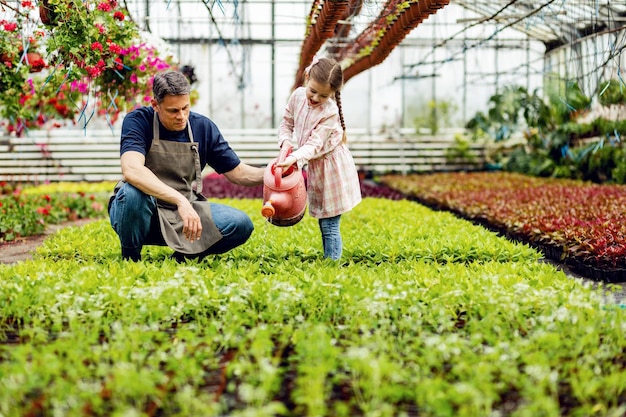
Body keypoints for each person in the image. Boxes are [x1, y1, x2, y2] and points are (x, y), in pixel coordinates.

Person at [108, 70, 265, 262]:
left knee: (240, 224)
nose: (181, 116)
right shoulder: (138, 121)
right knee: (131, 193)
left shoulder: (203, 127)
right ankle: (131, 258)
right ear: (155, 105)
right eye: (173, 110)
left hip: (183, 214)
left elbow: (239, 173)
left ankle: (182, 257)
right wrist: (180, 201)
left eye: (185, 108)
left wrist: (273, 173)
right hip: (144, 214)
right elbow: (132, 169)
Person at [276, 56, 362, 260]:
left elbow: (314, 145)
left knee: (329, 223)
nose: (315, 98)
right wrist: (286, 143)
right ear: (307, 77)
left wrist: (295, 157)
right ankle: (329, 261)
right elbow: (286, 124)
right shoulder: (297, 96)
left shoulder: (330, 112)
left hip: (332, 168)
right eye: (312, 91)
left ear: (333, 94)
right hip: (316, 165)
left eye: (323, 96)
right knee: (324, 221)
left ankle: (332, 267)